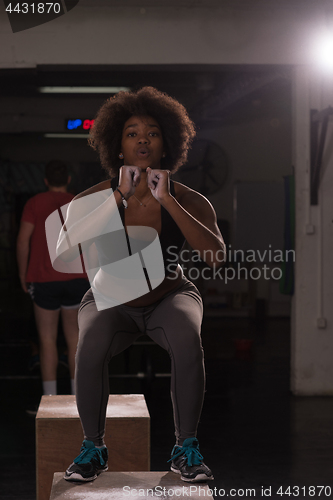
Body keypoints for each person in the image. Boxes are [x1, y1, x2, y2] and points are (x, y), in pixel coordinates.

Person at [57, 87, 225, 483]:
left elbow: (215, 257)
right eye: (132, 133)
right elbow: (64, 250)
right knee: (90, 343)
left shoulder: (189, 199)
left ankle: (186, 449)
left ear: (166, 144)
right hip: (111, 298)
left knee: (187, 338)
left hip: (169, 296)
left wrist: (167, 200)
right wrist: (119, 195)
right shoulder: (96, 196)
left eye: (152, 132)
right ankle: (93, 448)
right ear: (118, 146)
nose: (143, 139)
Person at [16, 161, 90, 396]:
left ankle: (50, 400)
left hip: (44, 280)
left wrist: (22, 275)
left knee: (47, 340)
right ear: (68, 179)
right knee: (75, 340)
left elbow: (22, 242)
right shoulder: (79, 203)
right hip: (77, 278)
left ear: (46, 181)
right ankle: (79, 399)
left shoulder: (34, 203)